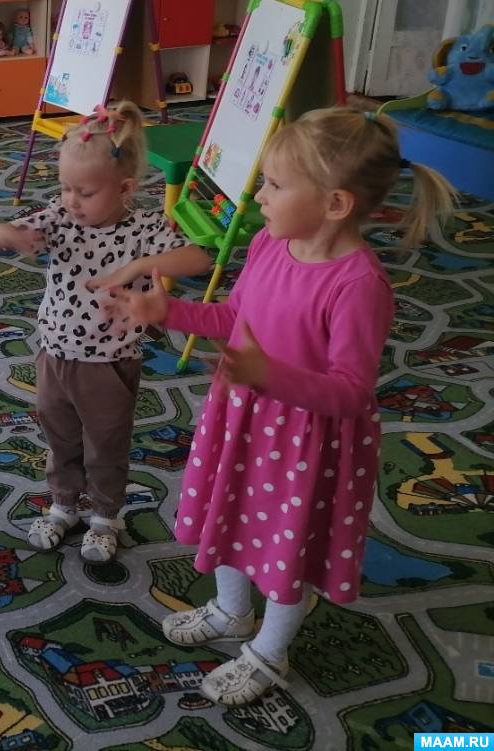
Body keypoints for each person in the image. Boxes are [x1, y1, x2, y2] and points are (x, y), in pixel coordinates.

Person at [109, 107, 455, 705]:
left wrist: (269, 375)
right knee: (232, 514)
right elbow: (233, 318)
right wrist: (169, 312)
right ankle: (231, 611)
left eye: (274, 184)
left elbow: (352, 390)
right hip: (244, 418)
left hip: (306, 442)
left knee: (286, 544)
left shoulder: (358, 285)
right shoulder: (270, 242)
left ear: (335, 203)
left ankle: (269, 652)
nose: (258, 195)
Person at [0, 101, 211, 562]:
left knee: (106, 445)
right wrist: (13, 236)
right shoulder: (61, 216)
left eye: (85, 192)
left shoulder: (144, 228)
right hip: (55, 355)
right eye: (65, 187)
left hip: (110, 363)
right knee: (60, 437)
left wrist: (140, 265)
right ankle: (64, 504)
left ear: (125, 188)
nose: (71, 200)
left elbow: (198, 259)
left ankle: (107, 516)